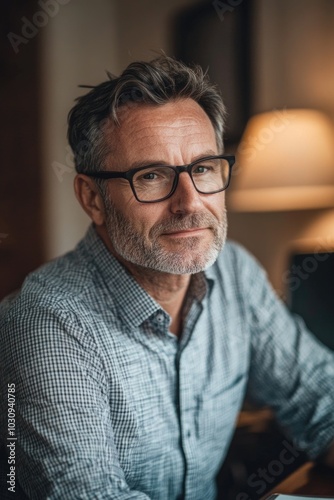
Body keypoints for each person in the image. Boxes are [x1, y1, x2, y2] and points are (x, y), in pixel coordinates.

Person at [1, 56, 334, 500]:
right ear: (92, 198)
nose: (190, 202)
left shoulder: (233, 272)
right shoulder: (46, 325)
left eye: (202, 168)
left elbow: (319, 396)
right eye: (152, 175)